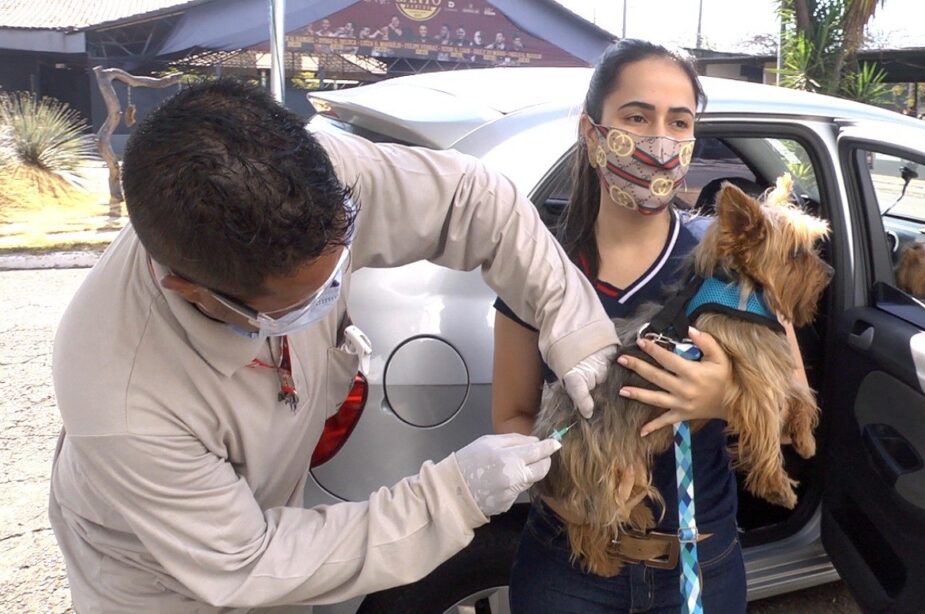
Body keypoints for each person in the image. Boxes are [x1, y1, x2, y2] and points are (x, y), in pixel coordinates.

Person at [48, 80, 619, 612]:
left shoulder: (315, 181)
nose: (330, 297)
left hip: (271, 515)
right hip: (155, 578)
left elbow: (476, 199)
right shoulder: (121, 399)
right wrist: (453, 495)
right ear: (192, 290)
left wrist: (576, 326)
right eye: (299, 301)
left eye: (339, 268)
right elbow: (247, 560)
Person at [492, 39, 809, 613]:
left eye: (679, 122)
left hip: (701, 566)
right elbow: (511, 416)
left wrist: (724, 399)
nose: (659, 140)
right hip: (568, 568)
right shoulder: (539, 267)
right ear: (592, 135)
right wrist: (578, 490)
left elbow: (791, 422)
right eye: (636, 117)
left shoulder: (733, 261)